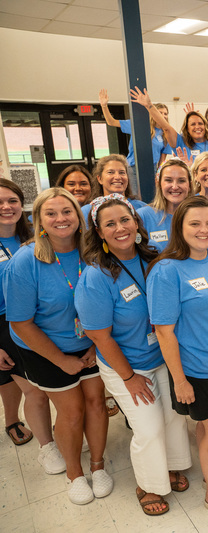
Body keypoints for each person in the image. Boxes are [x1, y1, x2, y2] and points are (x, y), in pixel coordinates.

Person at [75, 194, 191, 515]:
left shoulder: (153, 258)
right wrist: (129, 377)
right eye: (109, 224)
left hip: (161, 359)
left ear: (137, 223)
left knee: (173, 417)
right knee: (149, 426)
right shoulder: (96, 276)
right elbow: (99, 335)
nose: (120, 228)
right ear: (99, 233)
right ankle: (148, 484)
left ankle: (172, 465)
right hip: (125, 366)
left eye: (125, 220)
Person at [5, 187, 111, 505]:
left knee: (96, 404)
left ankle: (98, 464)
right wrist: (61, 359)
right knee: (72, 410)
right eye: (50, 213)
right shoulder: (26, 261)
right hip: (45, 348)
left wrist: (96, 345)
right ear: (38, 220)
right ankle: (75, 473)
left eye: (67, 212)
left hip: (90, 343)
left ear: (79, 218)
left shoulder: (93, 250)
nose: (60, 218)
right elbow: (20, 323)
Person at [146, 196, 208, 521]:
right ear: (180, 227)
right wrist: (180, 380)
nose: (204, 230)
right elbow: (164, 332)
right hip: (200, 368)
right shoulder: (166, 271)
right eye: (195, 223)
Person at [0, 179, 57, 459]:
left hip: (38, 318)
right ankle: (47, 448)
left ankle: (18, 422)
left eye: (12, 200)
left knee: (36, 385)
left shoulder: (35, 235)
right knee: (34, 390)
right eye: (0, 202)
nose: (6, 207)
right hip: (4, 324)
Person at [98, 88, 171, 180]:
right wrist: (104, 106)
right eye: (160, 113)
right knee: (135, 194)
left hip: (152, 170)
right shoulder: (139, 125)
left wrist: (160, 174)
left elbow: (162, 159)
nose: (163, 116)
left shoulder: (166, 133)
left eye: (165, 113)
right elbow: (111, 122)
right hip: (134, 167)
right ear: (153, 113)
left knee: (151, 194)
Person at [136, 159, 191, 252]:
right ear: (158, 183)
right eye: (168, 180)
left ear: (190, 185)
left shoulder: (198, 216)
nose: (175, 186)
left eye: (181, 181)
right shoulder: (143, 216)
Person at [82, 155, 146, 221]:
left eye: (122, 172)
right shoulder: (86, 212)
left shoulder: (142, 208)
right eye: (110, 172)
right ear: (100, 179)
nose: (117, 177)